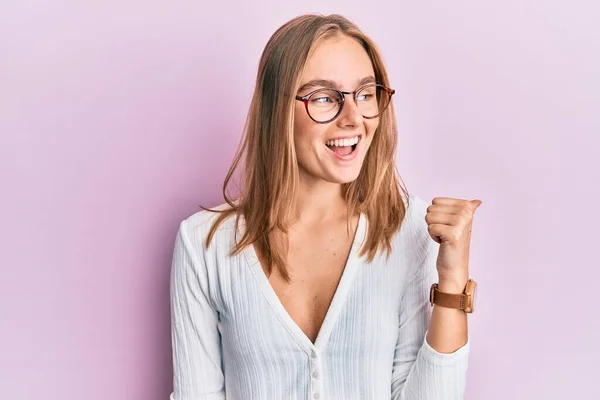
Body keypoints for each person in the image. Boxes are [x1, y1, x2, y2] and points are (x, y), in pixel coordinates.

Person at [169, 13, 481, 400]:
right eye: (324, 98)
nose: (353, 119)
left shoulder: (410, 230)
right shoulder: (204, 244)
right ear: (277, 110)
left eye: (365, 94)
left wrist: (452, 281)